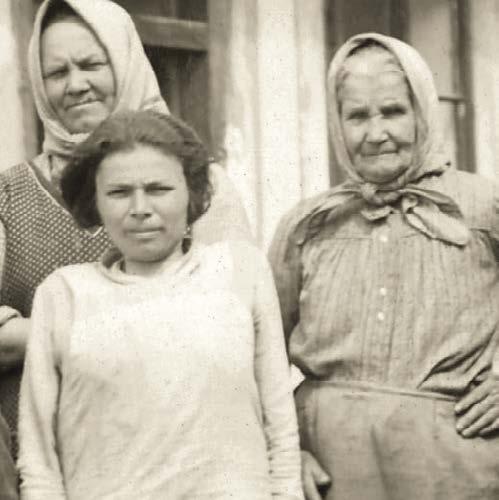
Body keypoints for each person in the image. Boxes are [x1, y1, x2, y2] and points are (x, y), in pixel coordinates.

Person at [0, 0, 250, 489]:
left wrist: (47, 334)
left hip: (171, 458)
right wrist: (130, 326)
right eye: (57, 73)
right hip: (38, 467)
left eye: (91, 64)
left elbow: (235, 322)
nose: (75, 85)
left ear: (125, 61)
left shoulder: (201, 186)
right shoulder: (9, 195)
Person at [17, 109, 302, 499]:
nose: (140, 208)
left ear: (192, 192)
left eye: (158, 189)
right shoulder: (63, 294)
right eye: (119, 192)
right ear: (95, 201)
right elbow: (38, 460)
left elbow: (281, 431)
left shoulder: (240, 271)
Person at [269, 32, 499, 500]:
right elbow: (259, 354)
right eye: (357, 116)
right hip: (331, 471)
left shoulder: (482, 206)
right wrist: (288, 453)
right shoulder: (307, 223)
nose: (376, 134)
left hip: (454, 466)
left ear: (422, 112)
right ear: (337, 123)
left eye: (393, 112)